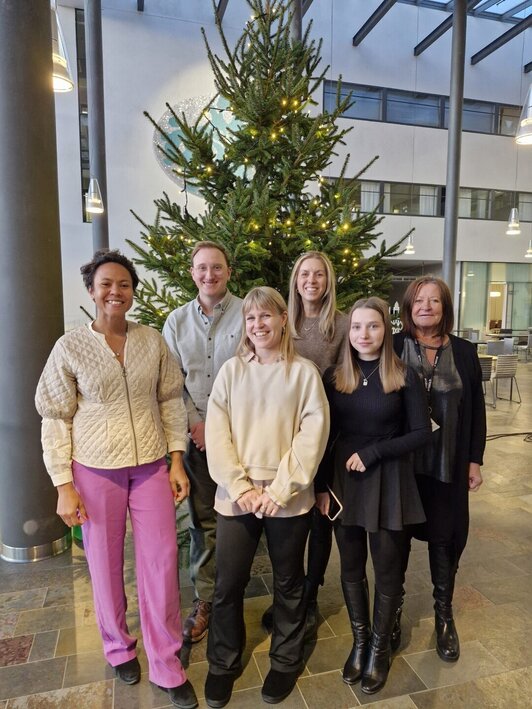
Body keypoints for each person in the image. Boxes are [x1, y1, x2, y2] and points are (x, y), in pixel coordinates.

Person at [35, 249, 197, 709]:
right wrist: (63, 484)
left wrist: (177, 459)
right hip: (93, 469)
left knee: (162, 562)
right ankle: (118, 648)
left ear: (132, 291)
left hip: (149, 467)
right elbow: (54, 415)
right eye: (106, 284)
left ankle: (167, 663)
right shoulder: (70, 347)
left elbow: (169, 400)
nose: (115, 292)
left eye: (123, 284)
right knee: (104, 565)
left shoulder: (151, 341)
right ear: (91, 291)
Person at [203, 287, 329, 707]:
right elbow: (218, 435)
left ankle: (285, 659)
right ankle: (223, 662)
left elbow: (313, 435)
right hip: (236, 495)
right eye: (251, 319)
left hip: (286, 497)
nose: (258, 325)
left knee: (289, 582)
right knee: (228, 583)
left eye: (266, 317)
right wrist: (241, 488)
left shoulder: (303, 373)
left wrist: (278, 490)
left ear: (282, 320)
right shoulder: (231, 371)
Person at [316, 296, 431, 695]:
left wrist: (374, 452)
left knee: (386, 571)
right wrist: (319, 486)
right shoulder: (334, 377)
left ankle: (380, 648)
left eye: (373, 326)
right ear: (349, 333)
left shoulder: (404, 375)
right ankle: (360, 640)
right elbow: (323, 436)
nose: (364, 334)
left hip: (389, 481)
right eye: (357, 327)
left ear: (386, 330)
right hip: (343, 485)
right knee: (349, 569)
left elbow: (421, 432)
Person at [394, 276, 486, 663]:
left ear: (445, 307)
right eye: (419, 301)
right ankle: (391, 610)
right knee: (395, 539)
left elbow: (477, 409)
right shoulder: (393, 346)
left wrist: (474, 459)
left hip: (448, 462)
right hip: (402, 466)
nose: (426, 307)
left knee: (446, 540)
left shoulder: (464, 351)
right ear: (408, 307)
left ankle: (443, 614)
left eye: (434, 301)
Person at [261, 251, 347, 634]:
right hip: (283, 434)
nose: (311, 280)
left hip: (325, 432)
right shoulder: (284, 323)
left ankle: (309, 596)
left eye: (319, 274)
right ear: (295, 280)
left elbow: (348, 381)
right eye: (304, 274)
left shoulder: (341, 326)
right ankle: (288, 596)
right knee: (291, 521)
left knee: (318, 517)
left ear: (328, 281)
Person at [163, 241, 242, 643]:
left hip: (241, 438)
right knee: (202, 523)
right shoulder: (175, 323)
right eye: (201, 268)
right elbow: (170, 384)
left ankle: (235, 596)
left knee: (243, 519)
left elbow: (256, 372)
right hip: (195, 441)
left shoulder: (249, 313)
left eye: (217, 267)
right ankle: (207, 598)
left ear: (229, 271)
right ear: (192, 273)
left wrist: (218, 424)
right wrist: (198, 424)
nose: (209, 275)